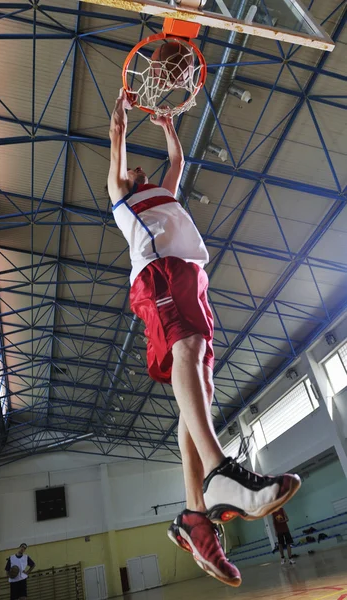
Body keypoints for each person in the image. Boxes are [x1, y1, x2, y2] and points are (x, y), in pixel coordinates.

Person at [107, 88, 301, 586]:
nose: (137, 172)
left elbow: (177, 157)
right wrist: (123, 113)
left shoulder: (164, 193)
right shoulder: (123, 198)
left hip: (190, 277)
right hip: (158, 274)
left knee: (201, 396)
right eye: (131, 171)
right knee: (186, 353)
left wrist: (169, 126)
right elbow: (116, 138)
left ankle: (195, 516)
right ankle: (220, 473)